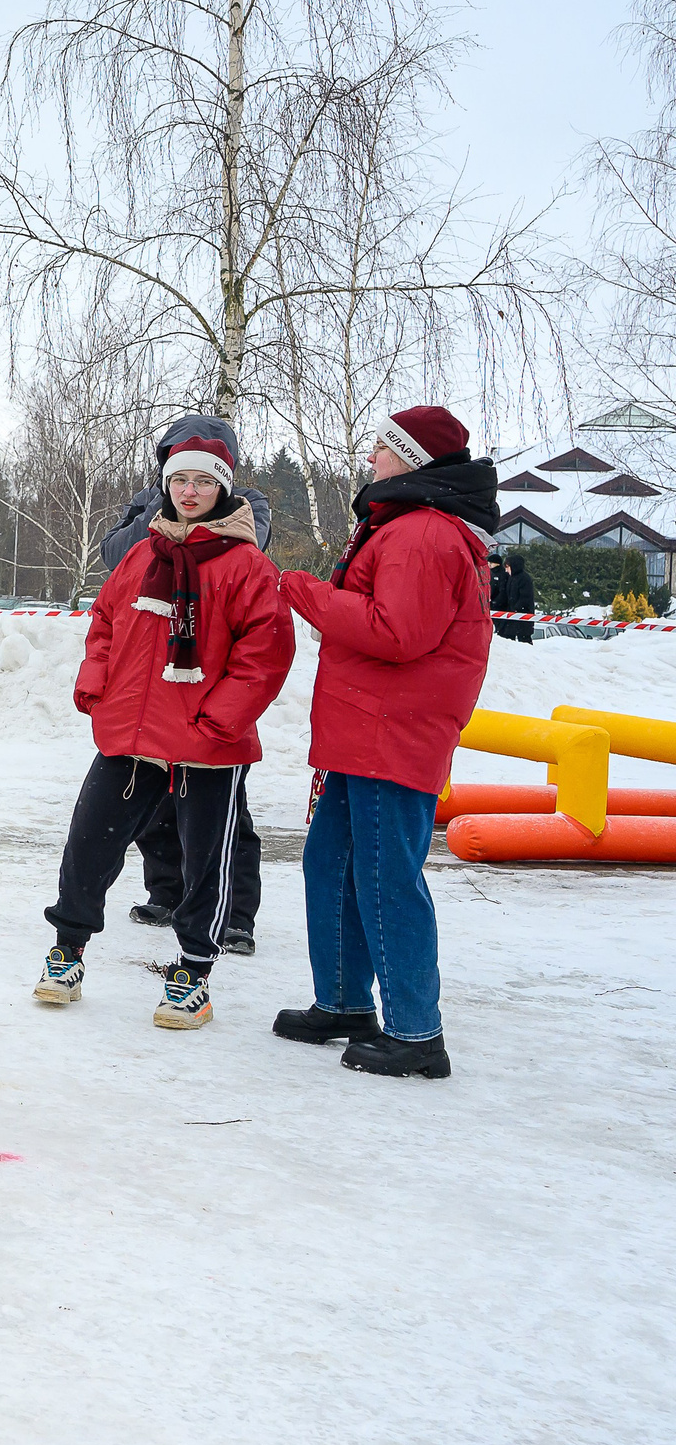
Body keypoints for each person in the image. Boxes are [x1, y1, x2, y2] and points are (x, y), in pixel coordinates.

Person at [34, 435, 293, 1028]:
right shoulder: (141, 555)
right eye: (181, 481)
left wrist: (220, 719)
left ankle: (193, 973)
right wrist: (97, 684)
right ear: (167, 487)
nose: (191, 492)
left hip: (207, 743)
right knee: (89, 845)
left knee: (207, 859)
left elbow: (265, 655)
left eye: (203, 482)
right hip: (131, 735)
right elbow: (104, 623)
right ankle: (67, 951)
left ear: (223, 489)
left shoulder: (248, 565)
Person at [274, 405, 496, 1080]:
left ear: (414, 460)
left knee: (383, 878)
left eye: (382, 448)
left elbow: (398, 631)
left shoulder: (423, 533)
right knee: (333, 865)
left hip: (391, 731)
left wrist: (306, 594)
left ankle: (414, 1031)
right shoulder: (405, 525)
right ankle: (344, 1001)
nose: (370, 458)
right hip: (365, 728)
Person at [100, 418, 273, 954]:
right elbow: (116, 556)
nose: (187, 482)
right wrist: (159, 510)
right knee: (153, 805)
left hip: (208, 680)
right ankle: (166, 891)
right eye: (175, 463)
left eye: (200, 469)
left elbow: (242, 549)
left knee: (223, 815)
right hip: (151, 684)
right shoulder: (151, 501)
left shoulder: (247, 504)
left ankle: (235, 915)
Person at [492, 549, 537, 644]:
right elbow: (506, 595)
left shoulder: (524, 579)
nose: (506, 570)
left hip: (522, 616)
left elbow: (525, 598)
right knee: (506, 640)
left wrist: (516, 609)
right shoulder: (511, 578)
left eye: (507, 567)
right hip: (510, 617)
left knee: (524, 641)